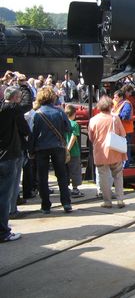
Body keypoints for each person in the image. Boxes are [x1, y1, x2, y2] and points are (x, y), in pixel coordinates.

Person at [31, 86, 72, 214]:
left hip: (41, 148)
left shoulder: (37, 114)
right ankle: (66, 203)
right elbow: (68, 128)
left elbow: (33, 134)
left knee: (42, 177)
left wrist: (30, 149)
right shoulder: (60, 112)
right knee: (61, 175)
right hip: (58, 146)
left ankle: (46, 205)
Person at [0, 86, 31, 242]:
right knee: (5, 195)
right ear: (14, 98)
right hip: (8, 156)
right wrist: (24, 85)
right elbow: (27, 104)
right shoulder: (8, 109)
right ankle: (3, 231)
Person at [88, 96, 127, 209]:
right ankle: (120, 199)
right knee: (118, 176)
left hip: (100, 152)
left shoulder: (93, 120)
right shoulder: (115, 118)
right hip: (115, 150)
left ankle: (107, 201)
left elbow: (91, 137)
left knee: (103, 177)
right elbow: (123, 134)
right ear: (111, 106)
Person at [64, 104, 84, 198]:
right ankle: (75, 189)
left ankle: (65, 188)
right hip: (74, 151)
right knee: (75, 170)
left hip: (62, 151)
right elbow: (74, 136)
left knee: (65, 170)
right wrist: (69, 148)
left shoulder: (62, 123)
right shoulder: (75, 124)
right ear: (74, 114)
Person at [112, 88, 134, 168]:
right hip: (120, 130)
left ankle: (125, 166)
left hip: (126, 130)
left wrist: (116, 116)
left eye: (116, 97)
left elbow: (125, 116)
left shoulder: (126, 104)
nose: (114, 99)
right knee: (121, 148)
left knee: (125, 148)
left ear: (121, 97)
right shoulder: (117, 103)